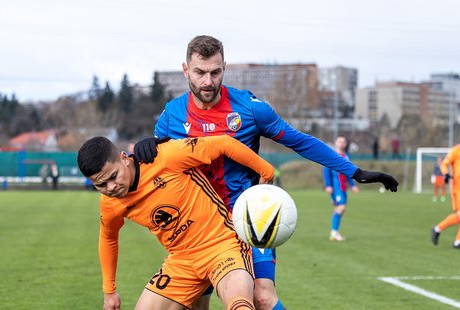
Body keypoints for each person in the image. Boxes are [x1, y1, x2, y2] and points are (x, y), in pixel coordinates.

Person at [134, 35, 398, 310]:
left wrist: (355, 171)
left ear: (225, 66)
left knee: (262, 296)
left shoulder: (249, 108)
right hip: (202, 228)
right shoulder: (172, 114)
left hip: (249, 219)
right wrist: (144, 148)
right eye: (200, 72)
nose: (208, 82)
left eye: (215, 72)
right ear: (186, 70)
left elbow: (301, 141)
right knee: (198, 303)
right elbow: (159, 165)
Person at [78, 135, 274, 310]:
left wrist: (266, 171)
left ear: (123, 158)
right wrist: (109, 291)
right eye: (100, 184)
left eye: (113, 176)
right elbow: (108, 238)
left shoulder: (166, 156)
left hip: (222, 245)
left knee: (240, 305)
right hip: (182, 261)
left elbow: (223, 143)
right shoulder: (110, 204)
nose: (111, 187)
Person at [323, 136, 358, 241]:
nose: (342, 143)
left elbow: (348, 172)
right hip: (336, 187)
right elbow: (326, 170)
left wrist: (352, 185)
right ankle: (334, 233)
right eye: (340, 141)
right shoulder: (331, 155)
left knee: (338, 209)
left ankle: (334, 232)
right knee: (341, 208)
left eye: (344, 142)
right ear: (335, 143)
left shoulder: (346, 156)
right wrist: (328, 185)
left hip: (343, 188)